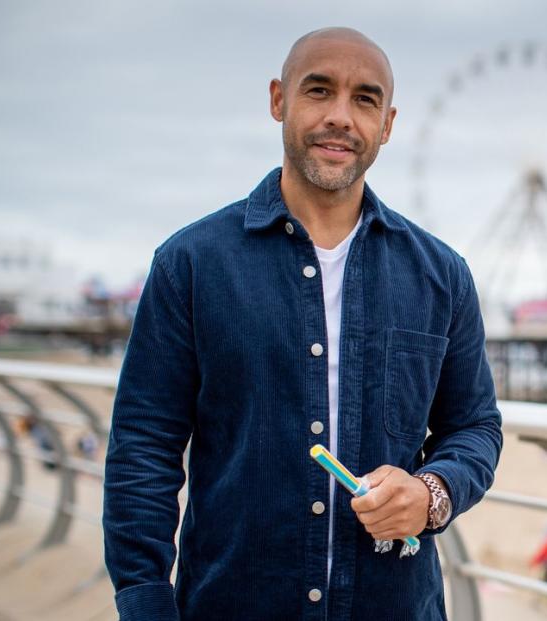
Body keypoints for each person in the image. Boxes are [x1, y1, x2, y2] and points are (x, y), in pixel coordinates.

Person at [103, 27, 503, 620]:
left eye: (364, 100)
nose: (341, 117)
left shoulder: (442, 275)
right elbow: (144, 450)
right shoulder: (190, 264)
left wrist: (430, 493)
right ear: (278, 100)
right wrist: (144, 604)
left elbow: (474, 427)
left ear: (387, 125)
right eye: (319, 91)